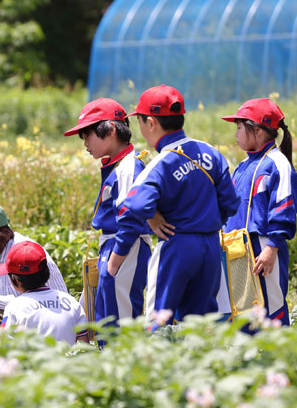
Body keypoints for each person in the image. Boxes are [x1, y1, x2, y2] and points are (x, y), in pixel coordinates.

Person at [107, 85, 240, 326]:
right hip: (210, 246)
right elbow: (230, 202)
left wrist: (152, 217)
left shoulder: (160, 163)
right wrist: (206, 220)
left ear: (151, 123)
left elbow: (132, 207)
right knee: (202, 323)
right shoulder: (211, 153)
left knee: (159, 320)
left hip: (175, 245)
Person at [63, 98, 151, 326]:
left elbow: (131, 218)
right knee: (105, 319)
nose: (85, 144)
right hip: (115, 246)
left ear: (110, 129)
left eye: (87, 135)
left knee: (121, 324)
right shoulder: (117, 165)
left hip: (125, 247)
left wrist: (113, 262)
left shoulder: (129, 166)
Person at [221, 98, 297, 326]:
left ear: (258, 130)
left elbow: (285, 206)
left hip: (264, 248)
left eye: (239, 127)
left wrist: (272, 248)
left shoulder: (278, 163)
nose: (235, 135)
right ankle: (250, 359)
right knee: (244, 309)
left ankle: (281, 357)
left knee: (271, 307)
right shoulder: (244, 165)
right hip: (237, 248)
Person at [0, 200, 68, 336]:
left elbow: (25, 304)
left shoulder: (22, 253)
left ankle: (14, 355)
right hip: (21, 312)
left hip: (46, 316)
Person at [0, 240, 89, 345]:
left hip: (35, 360)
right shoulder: (71, 302)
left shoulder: (14, 306)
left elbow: (5, 345)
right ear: (46, 271)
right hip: (68, 360)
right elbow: (84, 344)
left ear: (16, 280)